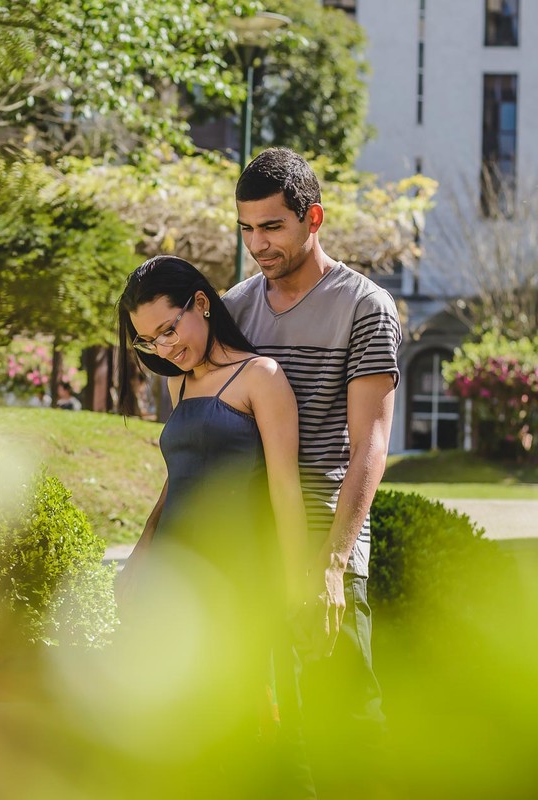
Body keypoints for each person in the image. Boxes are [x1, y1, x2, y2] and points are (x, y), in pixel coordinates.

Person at [227, 147, 398, 793]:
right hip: (247, 544)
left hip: (327, 540)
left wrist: (329, 564)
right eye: (247, 228)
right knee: (264, 739)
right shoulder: (236, 309)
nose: (258, 244)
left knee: (346, 726)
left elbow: (371, 446)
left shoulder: (365, 307)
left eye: (272, 227)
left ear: (313, 218)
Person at [114, 255, 314, 795]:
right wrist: (140, 555)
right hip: (177, 585)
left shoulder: (261, 377)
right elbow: (175, 482)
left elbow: (284, 488)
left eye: (168, 329)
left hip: (239, 580)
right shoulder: (180, 387)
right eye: (149, 341)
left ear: (201, 303)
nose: (164, 348)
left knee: (256, 734)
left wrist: (298, 585)